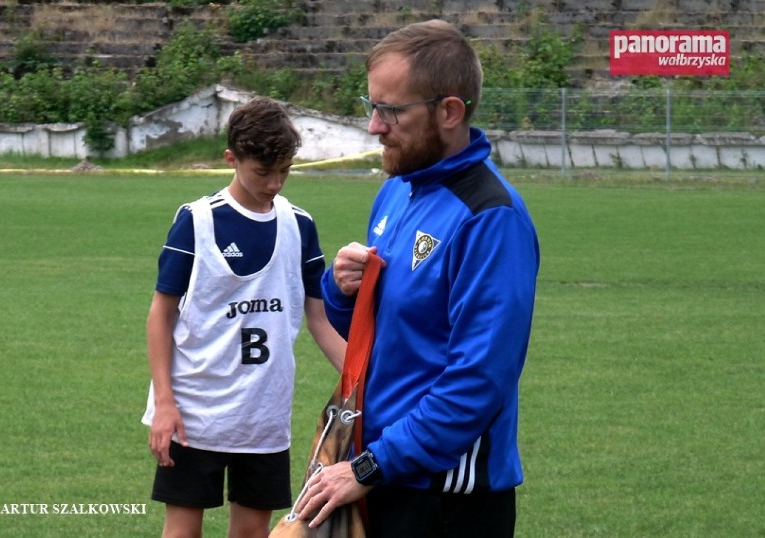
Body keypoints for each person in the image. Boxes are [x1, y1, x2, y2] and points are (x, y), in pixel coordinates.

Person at [296, 19, 540, 537]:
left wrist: (371, 466)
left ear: (450, 111)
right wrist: (344, 293)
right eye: (371, 107)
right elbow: (380, 334)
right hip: (378, 477)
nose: (374, 127)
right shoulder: (398, 191)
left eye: (390, 110)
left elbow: (477, 381)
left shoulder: (491, 219)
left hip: (446, 501)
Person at [141, 96, 347, 538]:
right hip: (193, 413)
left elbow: (319, 318)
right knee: (181, 533)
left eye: (284, 171)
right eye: (262, 172)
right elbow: (160, 316)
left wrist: (365, 379)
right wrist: (163, 404)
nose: (274, 183)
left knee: (253, 533)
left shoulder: (300, 225)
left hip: (264, 416)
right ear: (232, 158)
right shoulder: (196, 221)